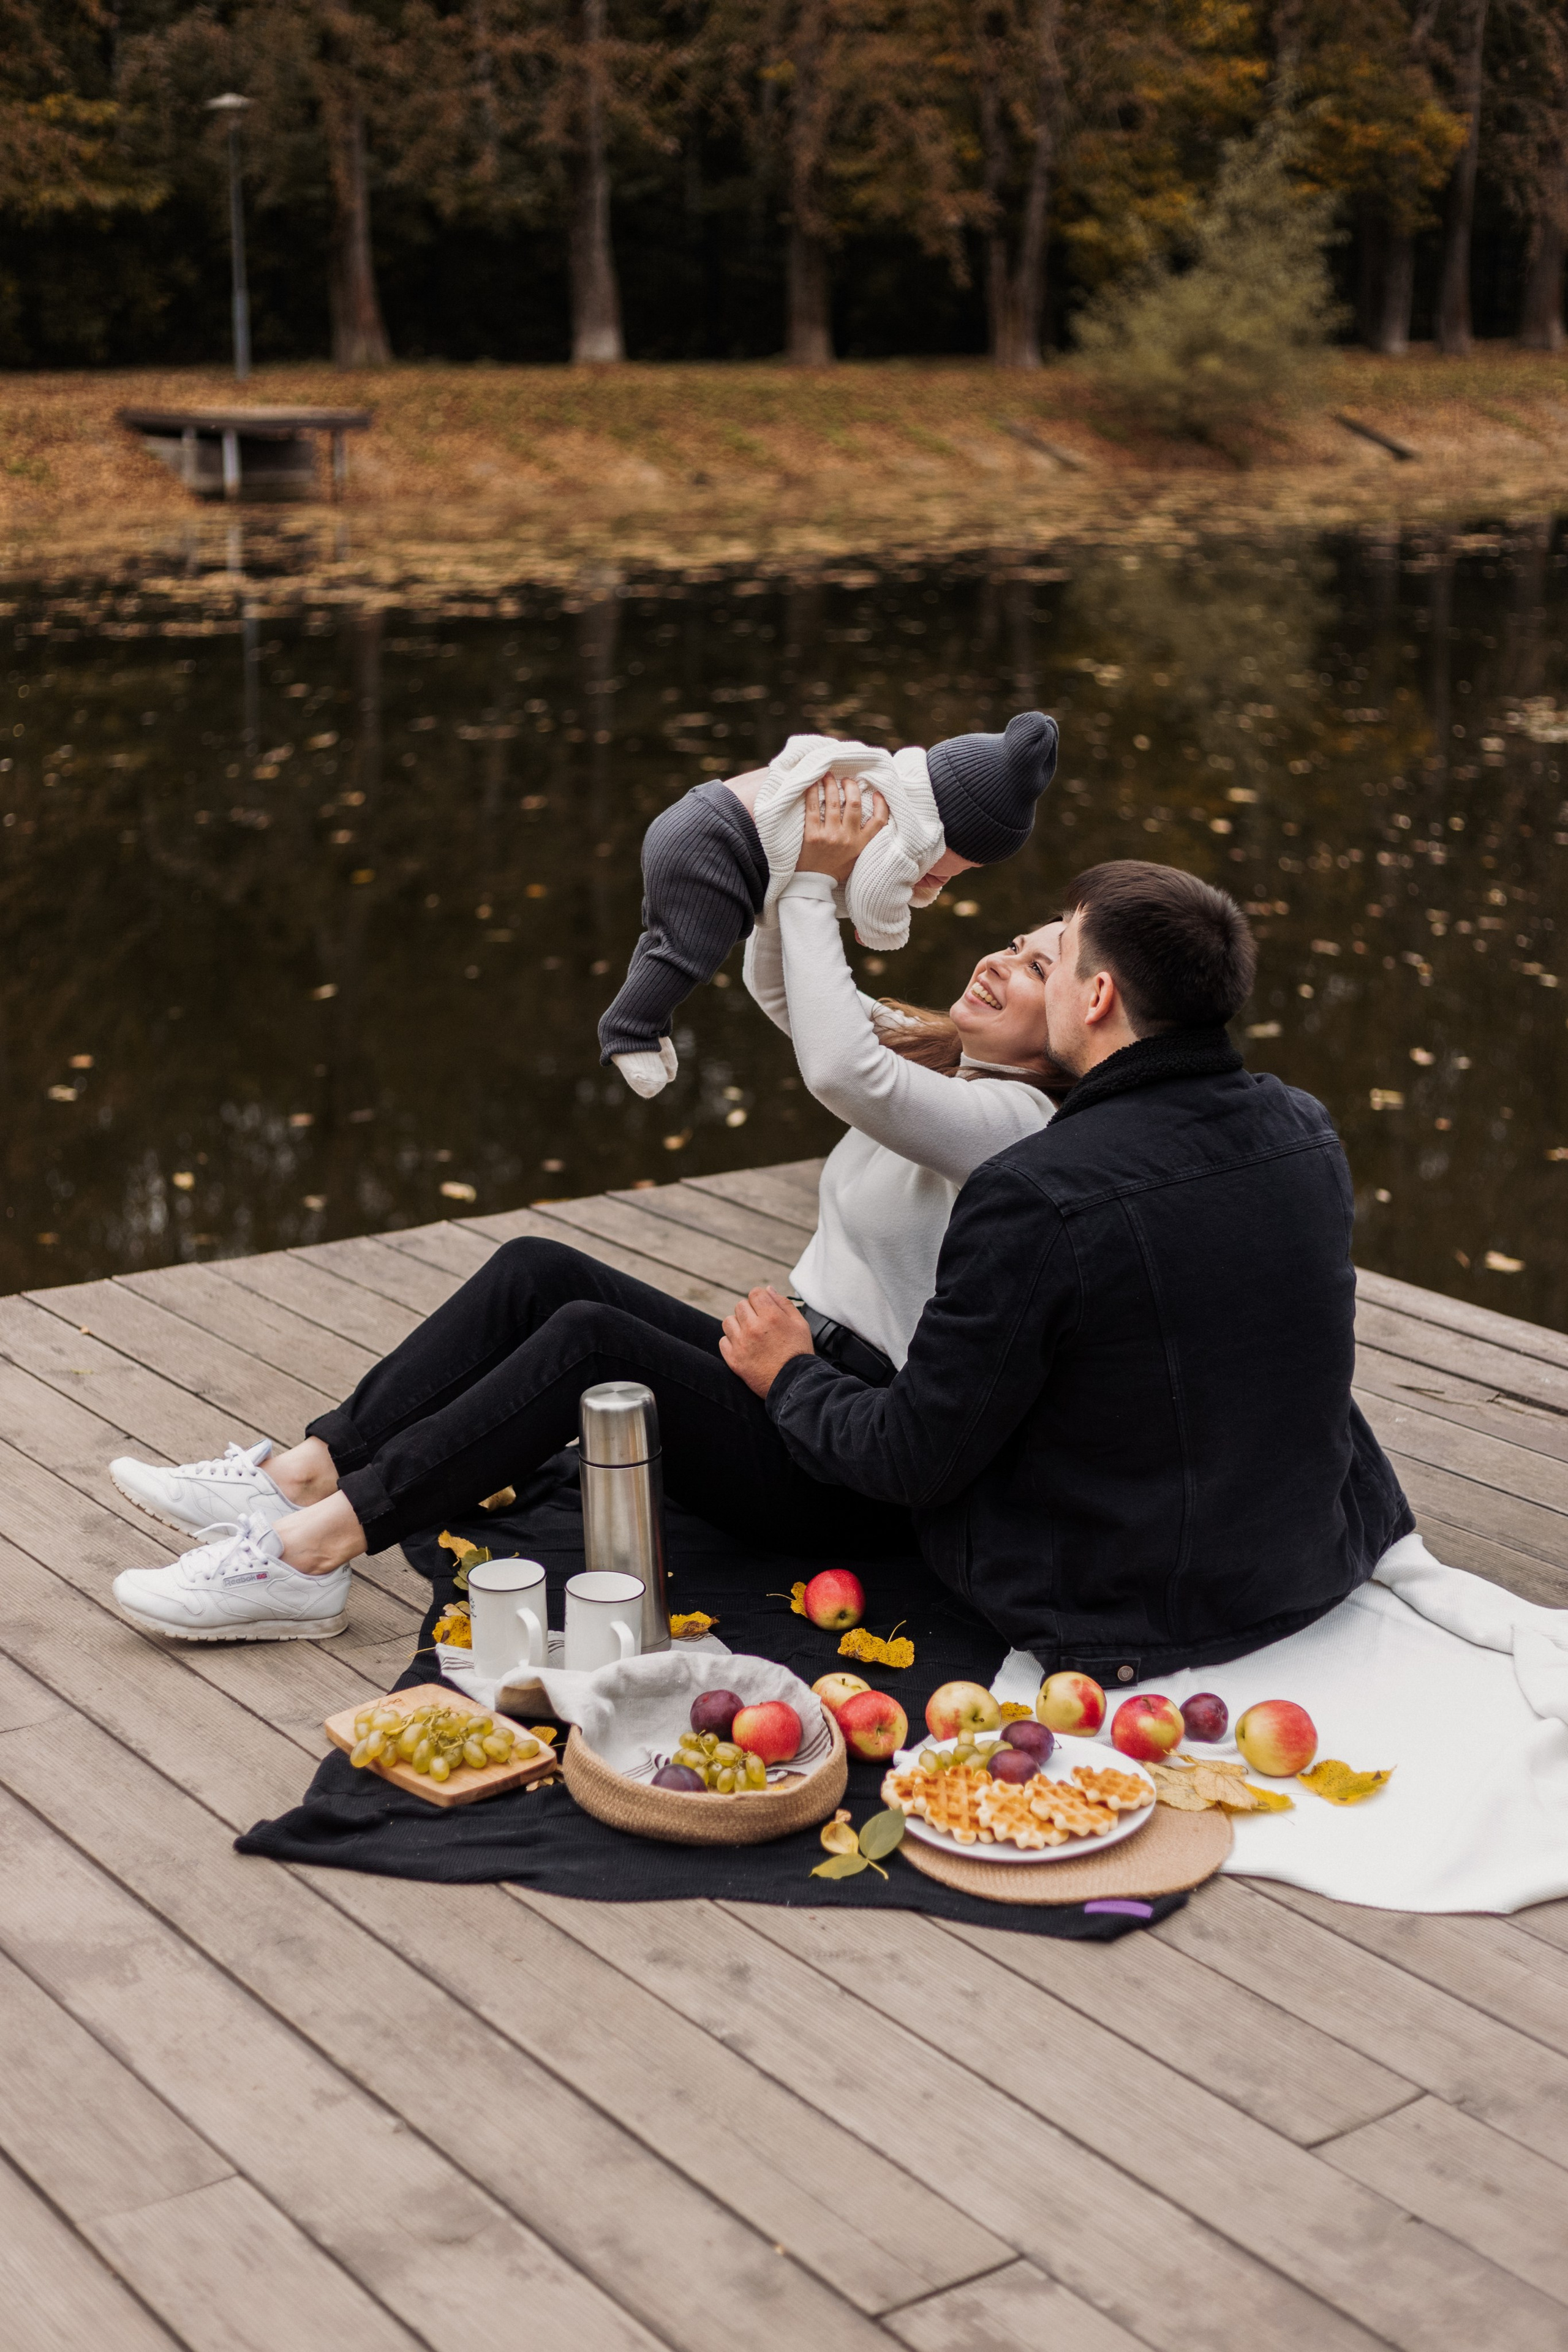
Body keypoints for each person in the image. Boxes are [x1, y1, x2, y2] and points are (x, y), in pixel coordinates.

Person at [105, 778, 1068, 1643]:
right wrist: (785, 847)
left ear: (1073, 1022)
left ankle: (313, 1555)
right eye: (1016, 942)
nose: (1000, 959)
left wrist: (818, 883)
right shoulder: (952, 1061)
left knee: (593, 1342)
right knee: (538, 1269)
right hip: (781, 1374)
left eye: (1036, 968)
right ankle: (303, 1473)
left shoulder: (1015, 1125)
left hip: (838, 1459)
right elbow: (787, 993)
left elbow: (838, 1069)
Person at [725, 858, 1414, 1678]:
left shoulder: (1037, 1189)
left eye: (1054, 961)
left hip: (1117, 1612)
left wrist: (794, 1376)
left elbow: (912, 1457)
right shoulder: (1303, 1127)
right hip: (1308, 1561)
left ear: (1095, 999)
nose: (1018, 967)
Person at [599, 709, 1057, 1096]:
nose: (956, 877)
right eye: (969, 865)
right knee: (687, 951)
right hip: (720, 846)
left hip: (699, 817)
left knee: (670, 943)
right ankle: (629, 1030)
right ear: (951, 834)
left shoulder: (888, 779)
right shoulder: (910, 832)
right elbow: (876, 891)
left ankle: (649, 1021)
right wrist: (886, 929)